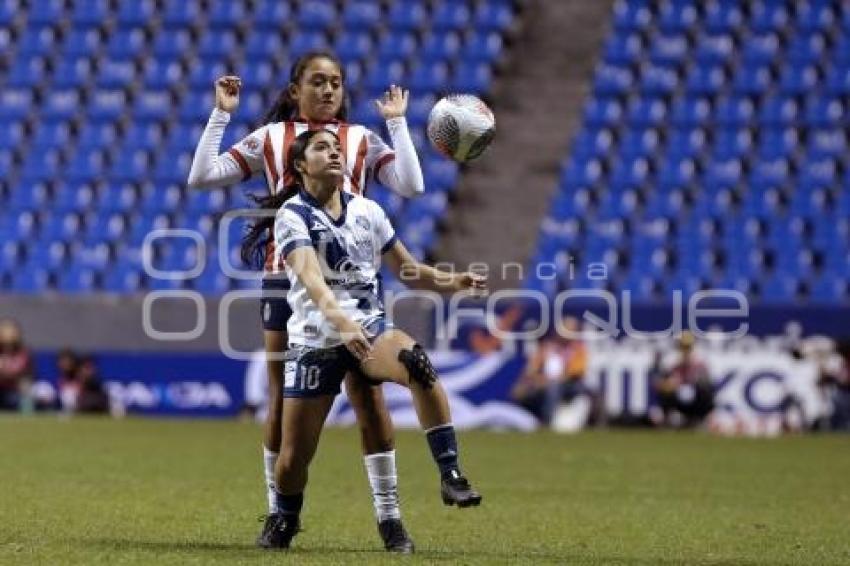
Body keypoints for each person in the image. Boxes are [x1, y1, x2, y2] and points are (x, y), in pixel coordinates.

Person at [187, 50, 429, 551]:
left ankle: (390, 519)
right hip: (287, 278)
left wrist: (399, 125)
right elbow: (203, 176)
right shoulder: (272, 138)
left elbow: (410, 184)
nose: (328, 91)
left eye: (336, 83)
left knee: (369, 396)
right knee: (281, 397)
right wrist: (222, 114)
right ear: (295, 89)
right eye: (317, 82)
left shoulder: (360, 139)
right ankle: (280, 515)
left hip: (355, 285)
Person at [244, 128, 483, 549]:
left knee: (416, 363)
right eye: (322, 148)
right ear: (301, 166)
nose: (334, 153)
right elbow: (311, 280)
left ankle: (450, 475)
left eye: (337, 148)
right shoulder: (292, 215)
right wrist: (341, 322)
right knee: (293, 459)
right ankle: (284, 516)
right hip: (317, 338)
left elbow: (408, 270)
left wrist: (453, 279)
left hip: (369, 329)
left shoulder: (369, 210)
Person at [651, 332, 714, 428]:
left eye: (688, 346)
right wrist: (670, 385)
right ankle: (668, 420)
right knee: (664, 395)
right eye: (683, 346)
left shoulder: (700, 361)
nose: (685, 349)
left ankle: (699, 420)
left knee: (706, 394)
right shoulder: (670, 360)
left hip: (695, 397)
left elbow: (708, 382)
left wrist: (696, 384)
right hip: (675, 395)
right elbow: (658, 383)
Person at [0, 319, 35, 412]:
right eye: (4, 330)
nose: (8, 334)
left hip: (15, 392)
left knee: (26, 384)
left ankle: (27, 414)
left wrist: (4, 370)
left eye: (11, 331)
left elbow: (20, 373)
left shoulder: (24, 352)